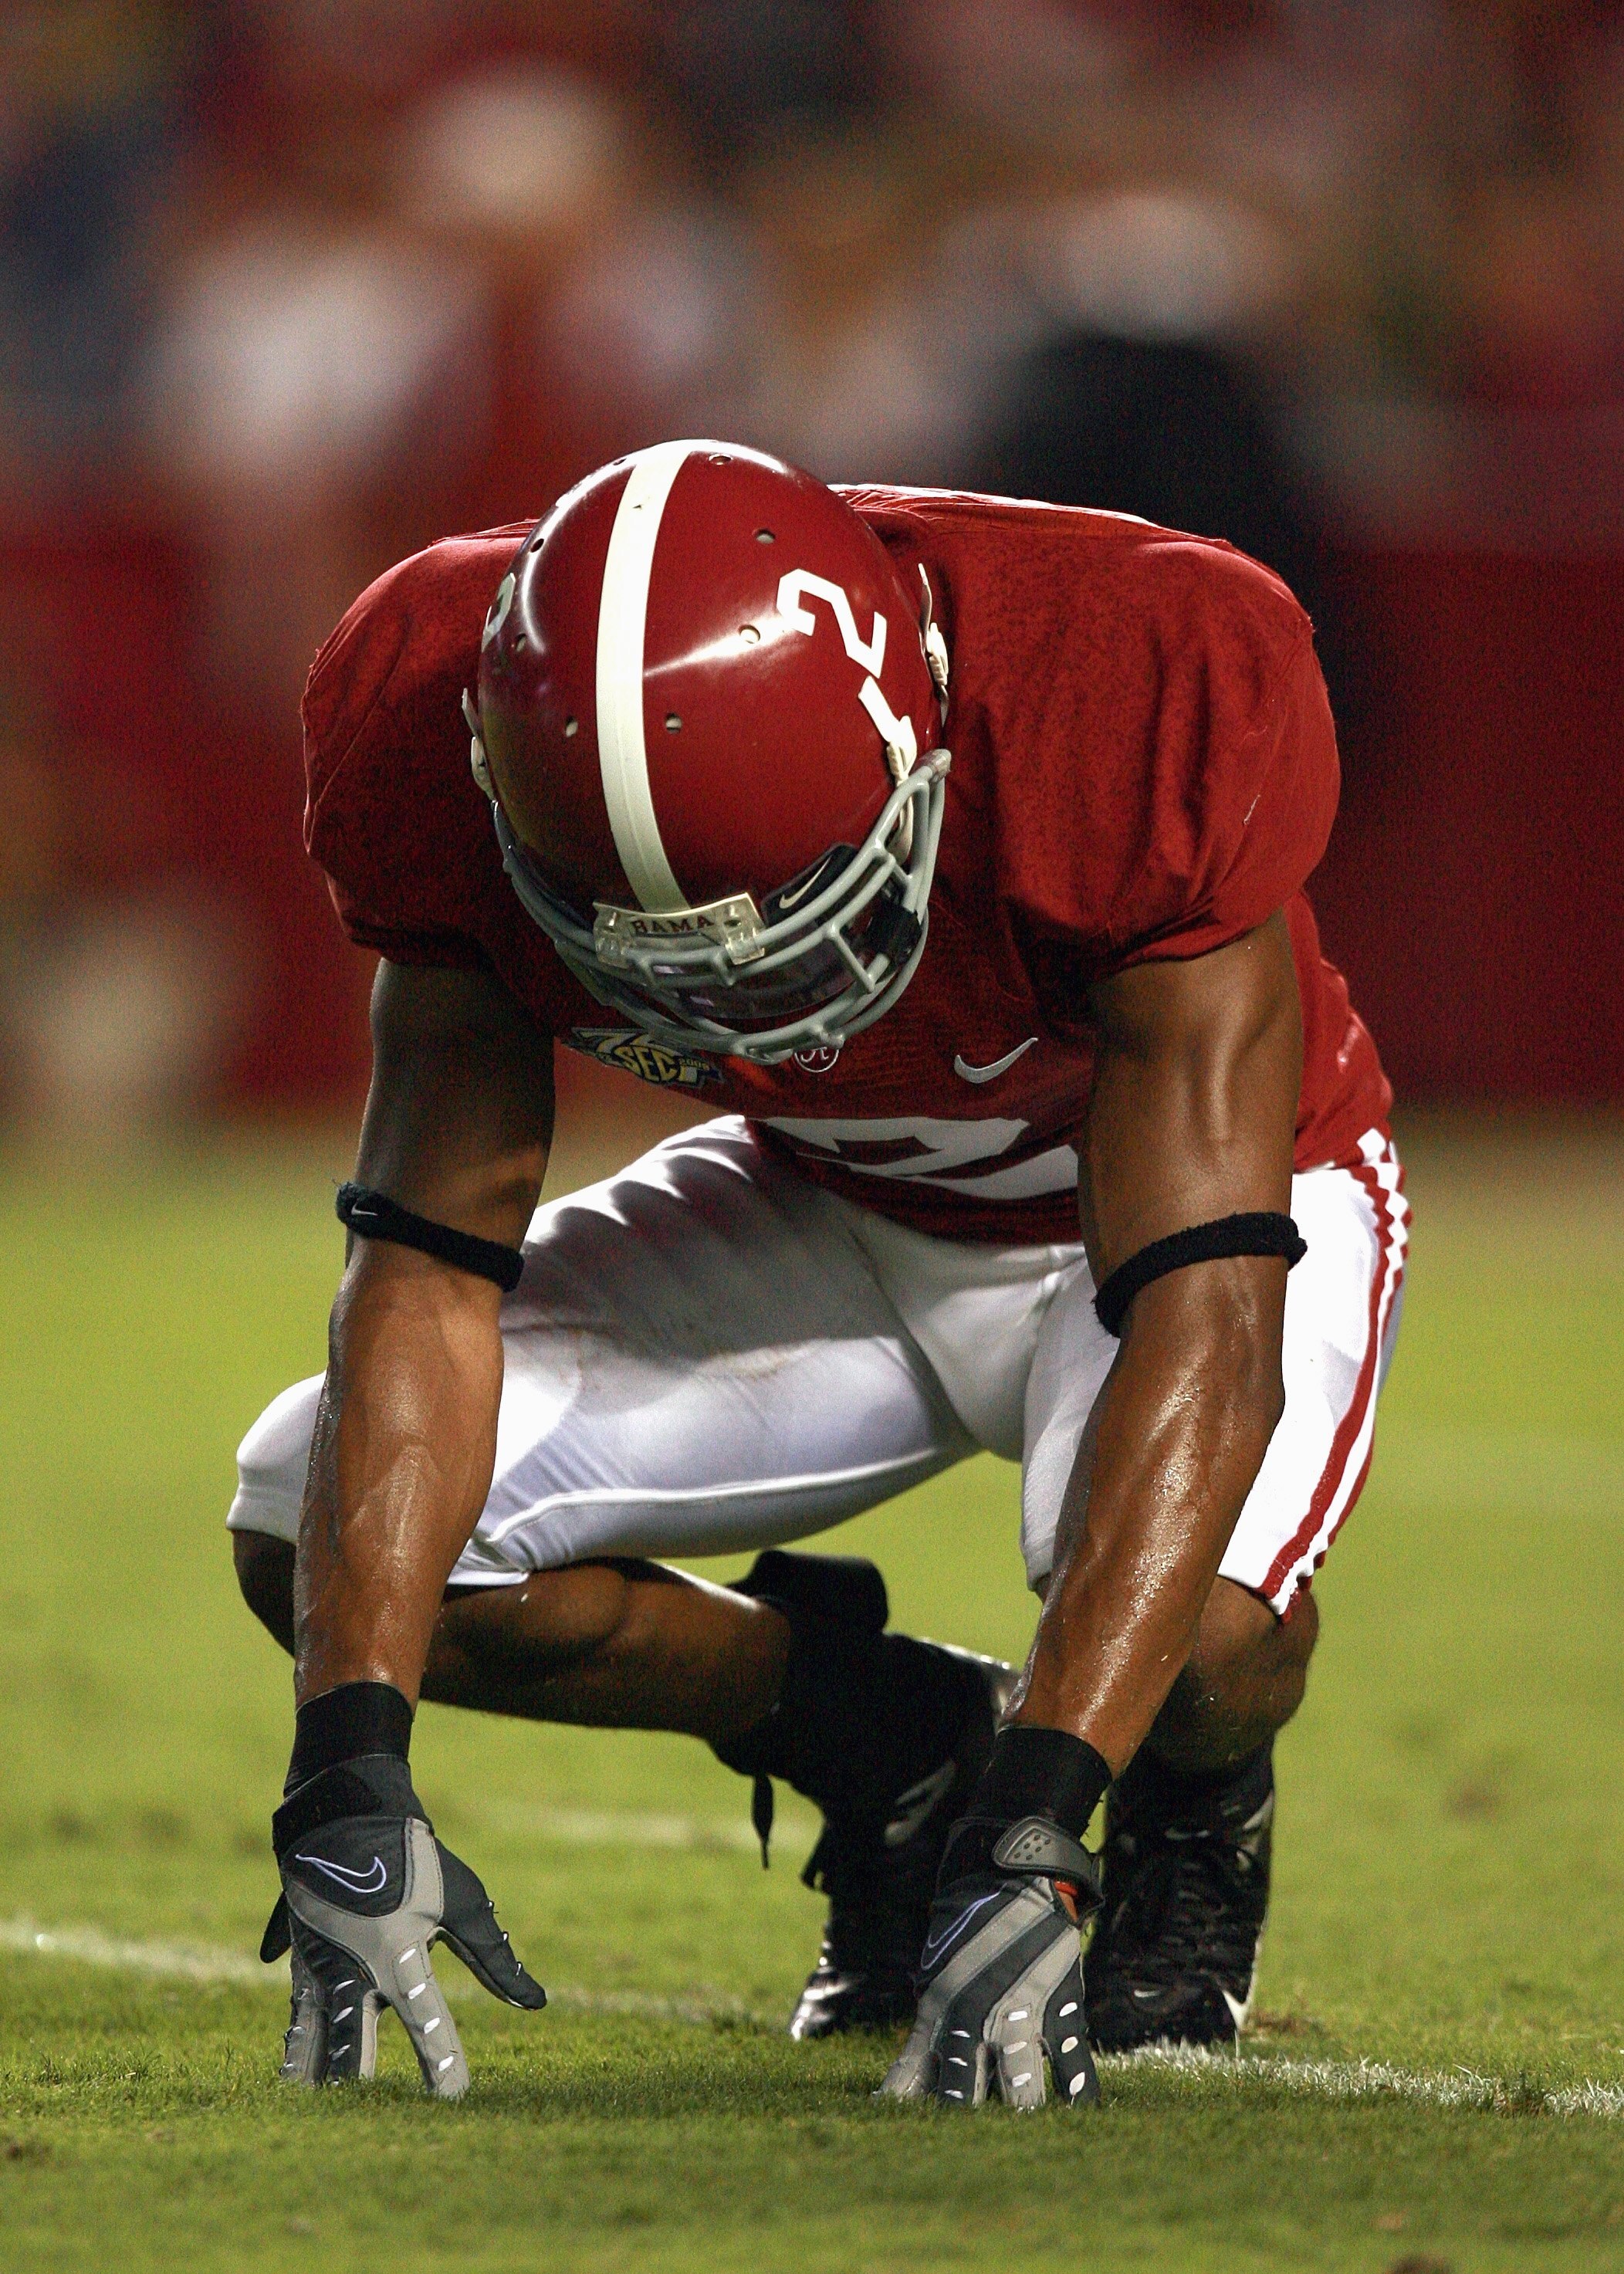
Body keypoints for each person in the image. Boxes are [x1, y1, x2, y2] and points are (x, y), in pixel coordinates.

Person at [230, 441, 1406, 2107]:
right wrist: (347, 1764)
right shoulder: (438, 705)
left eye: (790, 917)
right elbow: (425, 1262)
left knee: (1202, 1636)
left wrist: (1041, 1817)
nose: (731, 1012)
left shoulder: (1130, 672)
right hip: (829, 1193)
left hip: (1166, 1210)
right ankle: (892, 1740)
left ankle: (1191, 1814)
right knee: (317, 1529)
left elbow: (1203, 1320)